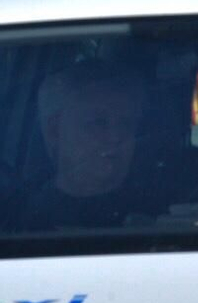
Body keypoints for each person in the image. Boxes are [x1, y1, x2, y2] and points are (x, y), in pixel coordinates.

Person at [14, 60, 155, 230]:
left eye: (126, 124)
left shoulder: (167, 215)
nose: (116, 137)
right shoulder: (20, 226)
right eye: (98, 123)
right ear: (55, 131)